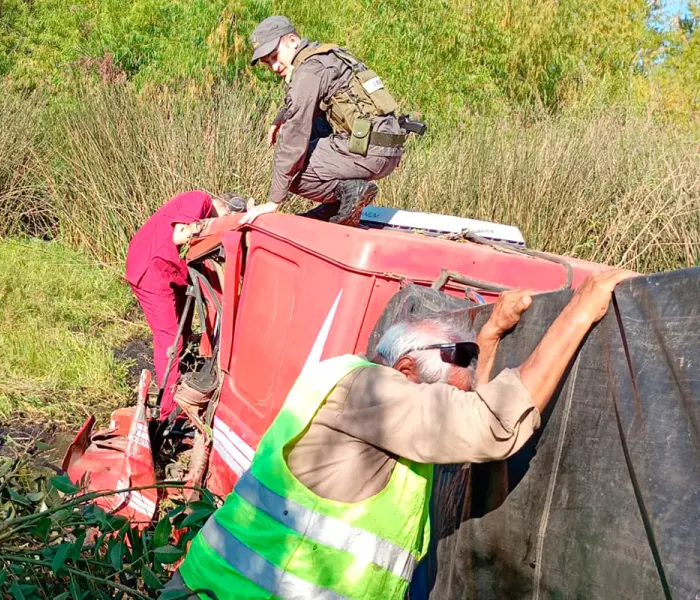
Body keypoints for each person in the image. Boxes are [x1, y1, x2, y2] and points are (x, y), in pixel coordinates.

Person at [166, 268, 634, 599]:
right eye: (460, 361)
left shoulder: (372, 408)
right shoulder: (369, 390)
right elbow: (490, 424)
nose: (466, 379)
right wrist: (580, 311)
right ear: (407, 367)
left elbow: (471, 425)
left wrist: (487, 339)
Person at [240, 15, 410, 228]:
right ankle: (341, 203)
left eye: (275, 56)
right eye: (268, 62)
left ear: (293, 41)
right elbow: (309, 105)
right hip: (388, 149)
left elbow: (294, 137)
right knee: (314, 127)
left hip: (369, 151)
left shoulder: (308, 71)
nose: (274, 66)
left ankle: (347, 193)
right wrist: (282, 116)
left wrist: (274, 201)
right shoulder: (327, 56)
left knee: (291, 167)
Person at [125, 190, 246, 421]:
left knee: (184, 332)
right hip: (152, 272)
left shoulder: (199, 209)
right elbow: (180, 235)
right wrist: (216, 225)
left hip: (169, 272)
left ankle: (180, 383)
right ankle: (169, 411)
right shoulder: (199, 199)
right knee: (171, 340)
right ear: (227, 209)